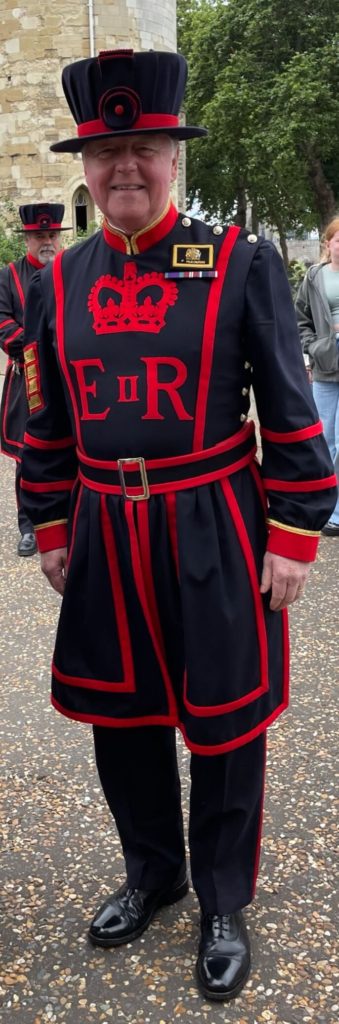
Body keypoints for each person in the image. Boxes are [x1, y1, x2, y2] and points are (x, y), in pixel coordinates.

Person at [20, 50, 336, 1002]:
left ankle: (223, 902)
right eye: (107, 148)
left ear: (173, 155)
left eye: (144, 147)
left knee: (227, 724)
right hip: (108, 530)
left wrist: (293, 532)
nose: (125, 166)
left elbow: (289, 409)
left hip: (214, 522)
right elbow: (47, 421)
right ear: (86, 162)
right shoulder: (59, 280)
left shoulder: (239, 264)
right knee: (123, 716)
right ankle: (153, 873)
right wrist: (49, 520)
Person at [0, 203, 70, 556]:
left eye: (52, 234)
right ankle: (29, 527)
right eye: (40, 235)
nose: (47, 241)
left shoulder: (71, 271)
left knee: (74, 447)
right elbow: (2, 326)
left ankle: (71, 518)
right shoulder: (8, 276)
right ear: (28, 238)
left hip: (70, 379)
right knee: (29, 454)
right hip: (26, 382)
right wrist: (41, 346)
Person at [295, 217, 339, 536]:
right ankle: (322, 504)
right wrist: (313, 347)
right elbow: (300, 319)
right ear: (329, 243)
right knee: (323, 439)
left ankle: (336, 513)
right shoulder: (314, 276)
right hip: (325, 364)